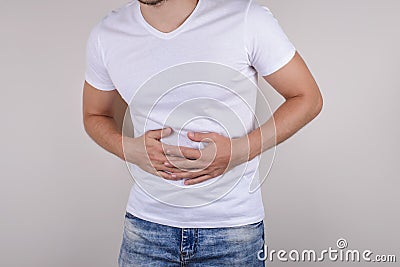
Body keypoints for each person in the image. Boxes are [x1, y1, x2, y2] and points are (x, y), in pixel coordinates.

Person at [82, 0, 323, 266]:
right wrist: (127, 149)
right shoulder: (107, 34)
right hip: (145, 230)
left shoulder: (247, 19)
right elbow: (95, 114)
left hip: (231, 232)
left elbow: (307, 98)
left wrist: (239, 151)